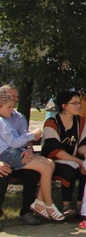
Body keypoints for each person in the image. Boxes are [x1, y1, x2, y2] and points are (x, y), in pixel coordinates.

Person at [0, 89, 64, 222]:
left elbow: (22, 141)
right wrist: (33, 134)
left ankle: (36, 204)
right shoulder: (2, 122)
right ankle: (48, 205)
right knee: (44, 168)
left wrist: (29, 148)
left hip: (16, 154)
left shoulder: (18, 117)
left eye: (14, 103)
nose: (13, 107)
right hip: (7, 156)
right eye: (9, 105)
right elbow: (14, 141)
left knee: (49, 164)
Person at [42, 90, 86, 217]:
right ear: (64, 106)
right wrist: (79, 162)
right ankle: (66, 205)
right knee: (70, 168)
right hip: (52, 162)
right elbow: (56, 152)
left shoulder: (81, 122)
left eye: (79, 103)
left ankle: (81, 204)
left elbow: (82, 146)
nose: (79, 106)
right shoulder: (51, 123)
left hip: (74, 159)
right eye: (75, 103)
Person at [0, 85, 42, 227]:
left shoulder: (19, 117)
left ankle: (26, 212)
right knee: (3, 172)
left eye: (17, 96)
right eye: (13, 97)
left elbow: (25, 138)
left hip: (19, 155)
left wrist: (29, 149)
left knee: (32, 172)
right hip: (2, 159)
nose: (17, 100)